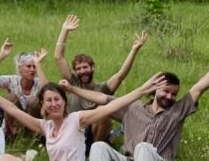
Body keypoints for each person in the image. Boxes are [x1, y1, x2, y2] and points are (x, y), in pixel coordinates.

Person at [0, 64, 167, 161]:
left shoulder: (77, 120)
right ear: (43, 105)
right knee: (5, 158)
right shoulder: (44, 126)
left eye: (57, 99)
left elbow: (110, 107)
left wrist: (141, 90)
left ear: (64, 103)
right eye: (49, 100)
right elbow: (12, 109)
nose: (54, 104)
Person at [77, 47, 209, 161]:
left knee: (143, 147)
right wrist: (71, 89)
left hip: (157, 159)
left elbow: (200, 88)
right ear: (156, 89)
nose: (170, 96)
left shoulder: (177, 110)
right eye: (166, 91)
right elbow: (102, 98)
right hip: (129, 158)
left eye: (174, 94)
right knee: (99, 147)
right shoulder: (133, 107)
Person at [54, 14, 148, 143]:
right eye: (79, 69)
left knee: (103, 113)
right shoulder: (72, 83)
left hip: (94, 134)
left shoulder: (103, 88)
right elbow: (58, 57)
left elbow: (121, 75)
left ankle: (94, 153)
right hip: (74, 132)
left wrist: (134, 50)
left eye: (85, 67)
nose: (82, 71)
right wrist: (64, 30)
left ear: (92, 68)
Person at [0, 37, 49, 136]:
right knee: (12, 97)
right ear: (20, 68)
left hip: (34, 125)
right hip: (14, 125)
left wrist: (38, 64)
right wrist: (1, 56)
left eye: (34, 67)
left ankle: (33, 135)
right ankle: (12, 134)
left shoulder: (39, 82)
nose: (32, 70)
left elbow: (48, 90)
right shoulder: (12, 80)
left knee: (33, 101)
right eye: (28, 66)